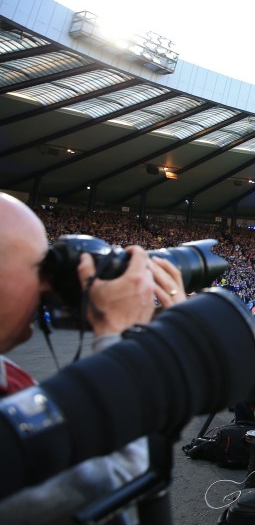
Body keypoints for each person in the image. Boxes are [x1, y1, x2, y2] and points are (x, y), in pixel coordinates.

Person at [0, 193, 185, 524]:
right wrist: (119, 335)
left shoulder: (7, 372)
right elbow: (116, 476)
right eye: (40, 268)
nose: (49, 286)